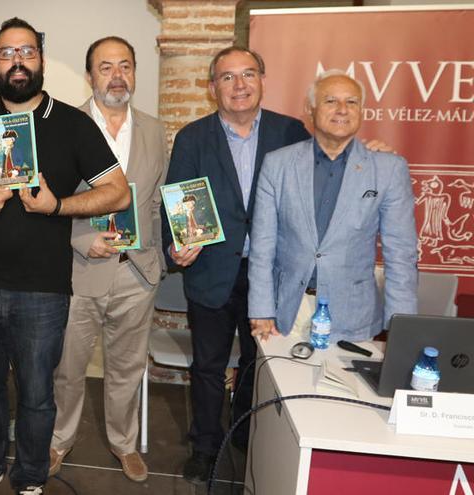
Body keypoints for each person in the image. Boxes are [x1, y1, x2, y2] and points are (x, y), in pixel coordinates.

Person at [0, 17, 130, 495]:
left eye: (26, 52)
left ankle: (28, 475)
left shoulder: (72, 123)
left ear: (40, 59)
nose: (17, 61)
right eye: (7, 53)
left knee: (38, 395)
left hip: (43, 290)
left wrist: (58, 205)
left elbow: (118, 193)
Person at [161, 46, 312, 484]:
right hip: (210, 270)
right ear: (213, 88)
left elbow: (312, 194)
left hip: (269, 275)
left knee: (256, 362)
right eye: (227, 77)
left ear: (263, 80)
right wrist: (177, 245)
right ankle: (206, 447)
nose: (239, 85)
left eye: (248, 74)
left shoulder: (291, 133)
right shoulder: (193, 137)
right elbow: (177, 199)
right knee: (207, 366)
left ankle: (246, 437)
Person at [49, 36, 167, 483]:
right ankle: (59, 440)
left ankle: (123, 442)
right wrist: (83, 242)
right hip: (80, 272)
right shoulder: (65, 127)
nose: (117, 76)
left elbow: (153, 202)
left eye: (125, 66)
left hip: (137, 273)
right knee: (68, 368)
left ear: (135, 72)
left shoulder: (155, 130)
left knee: (127, 368)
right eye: (105, 67)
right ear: (89, 75)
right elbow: (51, 202)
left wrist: (160, 253)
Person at [247, 70, 417, 342]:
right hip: (287, 313)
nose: (342, 110)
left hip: (354, 317)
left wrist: (402, 328)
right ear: (310, 109)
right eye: (330, 101)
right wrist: (261, 308)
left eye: (351, 102)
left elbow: (402, 256)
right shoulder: (278, 164)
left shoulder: (388, 169)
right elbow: (262, 246)